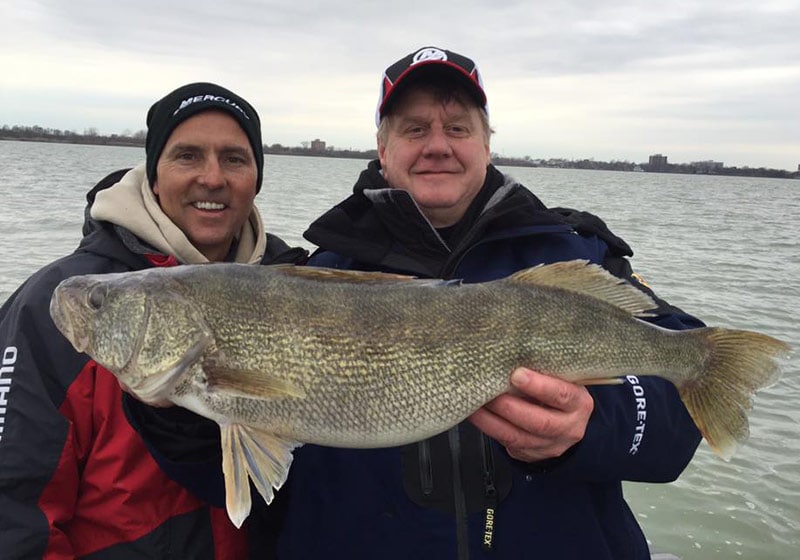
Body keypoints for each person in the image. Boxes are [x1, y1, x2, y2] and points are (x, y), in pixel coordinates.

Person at [279, 46, 703, 559]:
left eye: (457, 128)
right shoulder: (314, 279)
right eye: (414, 129)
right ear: (382, 147)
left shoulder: (577, 256)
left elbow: (679, 423)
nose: (437, 145)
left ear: (487, 144)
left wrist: (587, 424)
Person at [0, 82, 307, 559]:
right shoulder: (58, 309)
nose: (212, 177)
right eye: (187, 156)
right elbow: (14, 515)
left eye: (234, 158)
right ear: (154, 176)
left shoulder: (296, 284)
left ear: (256, 178)